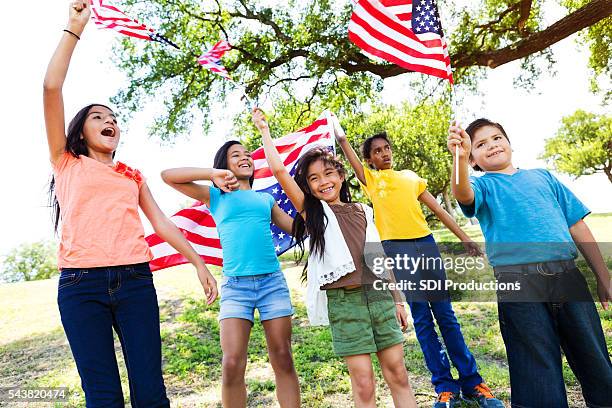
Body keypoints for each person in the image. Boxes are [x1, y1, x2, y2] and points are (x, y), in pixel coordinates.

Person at [44, 2, 218, 406]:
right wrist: (74, 29)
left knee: (151, 393)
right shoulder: (65, 161)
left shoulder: (132, 174)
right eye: (99, 117)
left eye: (114, 118)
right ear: (81, 132)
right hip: (80, 286)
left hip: (135, 283)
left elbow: (161, 223)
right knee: (103, 395)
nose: (110, 122)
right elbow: (51, 89)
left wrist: (198, 262)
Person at [253, 108, 417, 408]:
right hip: (346, 304)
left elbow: (379, 259)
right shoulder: (313, 213)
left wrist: (397, 299)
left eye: (329, 173)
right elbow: (279, 172)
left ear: (341, 175)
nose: (323, 182)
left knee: (398, 374)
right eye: (314, 178)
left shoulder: (363, 211)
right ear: (308, 187)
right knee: (364, 383)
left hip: (379, 298)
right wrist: (265, 130)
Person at [334, 122, 503, 408]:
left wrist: (464, 238)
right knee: (422, 318)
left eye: (386, 148)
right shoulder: (372, 181)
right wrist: (341, 139)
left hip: (425, 244)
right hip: (396, 249)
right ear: (369, 160)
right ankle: (445, 388)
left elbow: (437, 209)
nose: (384, 153)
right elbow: (349, 154)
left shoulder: (410, 177)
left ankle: (474, 382)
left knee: (445, 315)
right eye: (377, 151)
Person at [448, 118, 612, 407]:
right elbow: (463, 194)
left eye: (497, 138)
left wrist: (603, 277)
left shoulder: (544, 177)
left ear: (509, 143)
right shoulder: (481, 185)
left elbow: (577, 226)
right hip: (519, 286)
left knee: (595, 359)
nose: (492, 145)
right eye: (481, 145)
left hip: (568, 277)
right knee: (536, 372)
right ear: (473, 160)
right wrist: (458, 160)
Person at [161, 140, 300, 408]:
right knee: (232, 362)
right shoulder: (216, 196)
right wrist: (212, 174)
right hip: (236, 288)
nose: (245, 157)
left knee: (282, 356)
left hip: (272, 283)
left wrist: (319, 212)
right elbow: (168, 177)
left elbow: (297, 229)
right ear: (223, 164)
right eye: (236, 155)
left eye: (248, 154)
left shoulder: (265, 199)